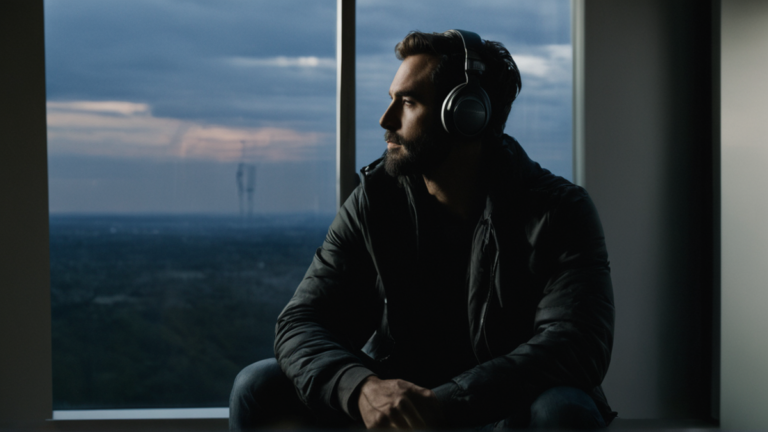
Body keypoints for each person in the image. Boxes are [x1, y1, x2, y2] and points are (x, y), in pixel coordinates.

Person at [230, 29, 615, 430]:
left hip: (501, 411)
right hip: (399, 405)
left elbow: (577, 345)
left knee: (561, 409)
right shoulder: (374, 201)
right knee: (257, 385)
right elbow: (300, 323)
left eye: (408, 102)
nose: (386, 119)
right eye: (392, 99)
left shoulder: (559, 211)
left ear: (467, 116)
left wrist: (444, 403)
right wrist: (362, 389)